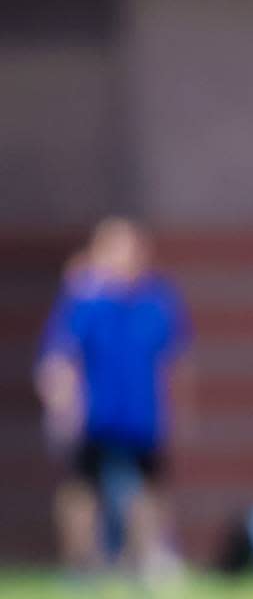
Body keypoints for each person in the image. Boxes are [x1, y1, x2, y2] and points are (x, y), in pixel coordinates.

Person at [34, 217, 189, 580]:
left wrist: (179, 410)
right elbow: (58, 358)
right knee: (83, 490)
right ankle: (82, 564)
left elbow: (176, 360)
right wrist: (62, 405)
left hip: (142, 413)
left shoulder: (158, 300)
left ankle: (147, 561)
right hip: (95, 414)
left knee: (149, 491)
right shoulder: (83, 300)